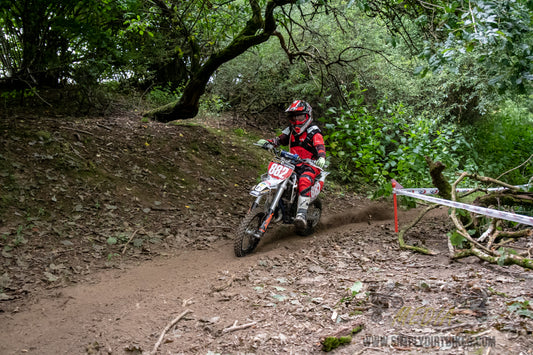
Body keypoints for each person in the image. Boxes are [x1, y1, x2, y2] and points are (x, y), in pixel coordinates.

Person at [256, 100, 326, 229]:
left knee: (304, 180)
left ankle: (301, 214)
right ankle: (274, 207)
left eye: (299, 116)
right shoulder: (291, 130)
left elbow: (320, 146)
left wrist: (321, 157)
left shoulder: (314, 131)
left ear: (307, 115)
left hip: (310, 165)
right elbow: (279, 140)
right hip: (292, 164)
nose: (296, 119)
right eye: (293, 116)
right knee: (275, 176)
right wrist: (268, 142)